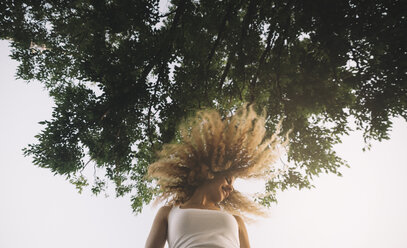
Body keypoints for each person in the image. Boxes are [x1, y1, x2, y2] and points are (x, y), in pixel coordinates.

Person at [145, 103, 287, 248]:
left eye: (232, 184)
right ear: (209, 172)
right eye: (228, 180)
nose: (231, 188)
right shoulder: (168, 213)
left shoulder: (236, 220)